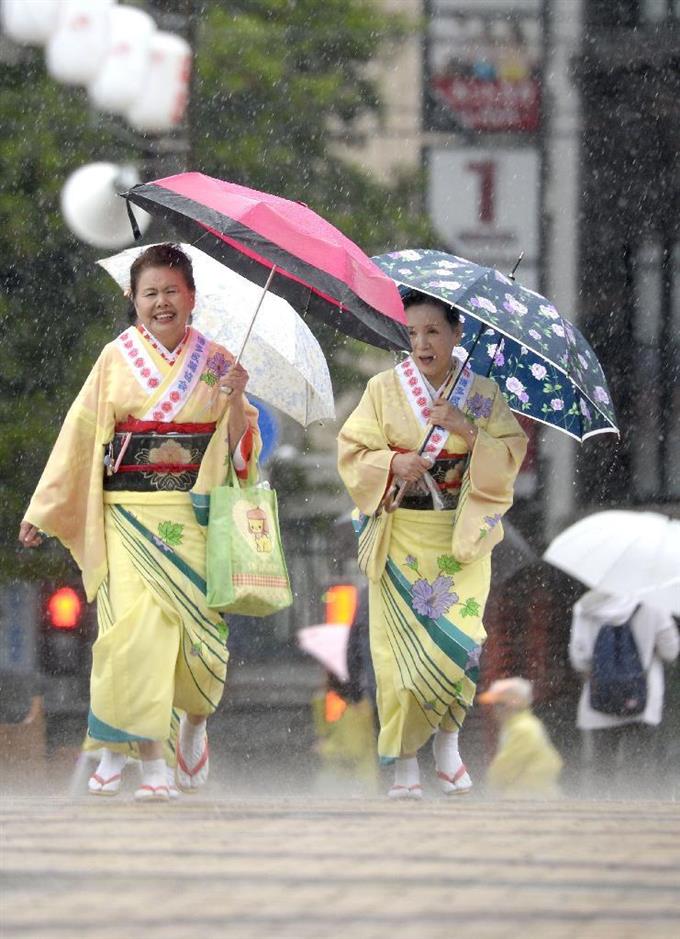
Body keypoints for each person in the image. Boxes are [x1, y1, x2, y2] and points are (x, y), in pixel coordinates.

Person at [19, 243, 260, 802]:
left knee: (201, 648)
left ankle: (194, 723)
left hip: (192, 518)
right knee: (135, 639)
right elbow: (80, 436)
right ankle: (150, 762)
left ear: (193, 297)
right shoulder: (114, 357)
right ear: (133, 299)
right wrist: (45, 507)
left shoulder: (221, 362)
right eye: (150, 293)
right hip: (127, 518)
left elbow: (240, 456)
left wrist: (238, 399)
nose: (161, 303)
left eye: (172, 291)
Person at [337, 288, 527, 799]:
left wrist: (465, 426)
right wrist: (394, 464)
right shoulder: (382, 388)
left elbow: (511, 451)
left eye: (434, 331)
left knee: (458, 645)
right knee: (400, 661)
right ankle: (404, 763)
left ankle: (447, 743)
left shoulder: (482, 393)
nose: (422, 343)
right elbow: (354, 449)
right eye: (413, 332)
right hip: (402, 537)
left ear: (457, 334)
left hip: (459, 541)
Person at [569, 590, 679, 795]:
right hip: (643, 703)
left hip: (598, 702)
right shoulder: (655, 605)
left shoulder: (585, 607)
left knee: (600, 770)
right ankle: (637, 816)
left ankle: (600, 817)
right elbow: (670, 651)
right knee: (639, 768)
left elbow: (579, 659)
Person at [478, 677, 562, 798]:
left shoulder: (522, 729)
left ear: (511, 705)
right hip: (530, 798)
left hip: (528, 799)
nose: (494, 710)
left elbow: (504, 769)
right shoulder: (521, 725)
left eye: (498, 704)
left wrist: (489, 792)